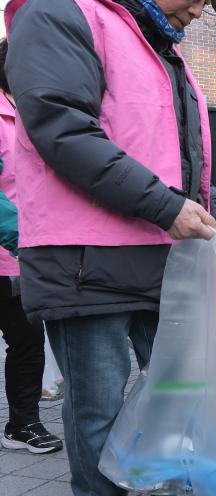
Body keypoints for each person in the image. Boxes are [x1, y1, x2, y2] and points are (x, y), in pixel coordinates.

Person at [5, 0, 216, 496]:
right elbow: (61, 129)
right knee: (96, 397)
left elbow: (175, 154)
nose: (203, 6)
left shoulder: (161, 43)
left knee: (176, 390)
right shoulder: (59, 12)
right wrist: (166, 206)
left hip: (162, 247)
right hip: (86, 252)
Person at [0, 39, 63, 456]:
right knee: (25, 340)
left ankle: (22, 424)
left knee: (25, 340)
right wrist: (22, 242)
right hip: (13, 250)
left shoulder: (22, 114)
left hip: (18, 257)